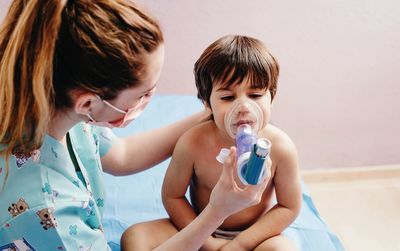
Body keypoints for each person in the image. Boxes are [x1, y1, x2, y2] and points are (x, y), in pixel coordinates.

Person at [0, 0, 269, 250]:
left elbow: (123, 155)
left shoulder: (54, 108)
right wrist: (216, 212)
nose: (148, 101)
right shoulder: (46, 213)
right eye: (143, 94)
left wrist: (218, 111)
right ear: (88, 102)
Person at [123, 35, 302, 251]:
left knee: (283, 249)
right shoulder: (193, 142)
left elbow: (288, 206)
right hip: (199, 227)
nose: (244, 107)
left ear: (271, 98)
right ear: (207, 103)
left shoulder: (281, 148)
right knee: (135, 237)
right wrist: (206, 241)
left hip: (254, 235)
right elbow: (172, 195)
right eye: (227, 98)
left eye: (255, 95)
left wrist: (241, 244)